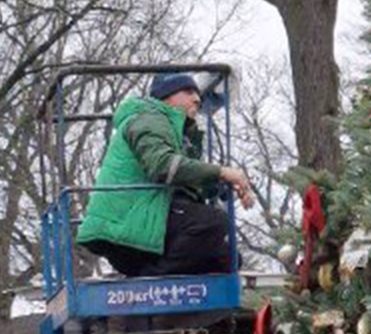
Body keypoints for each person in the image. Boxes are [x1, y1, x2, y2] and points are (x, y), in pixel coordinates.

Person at [76, 73, 255, 277]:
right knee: (213, 221)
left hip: (150, 223)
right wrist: (223, 172)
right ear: (165, 97)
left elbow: (186, 183)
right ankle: (154, 278)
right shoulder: (149, 118)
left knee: (228, 257)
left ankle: (166, 281)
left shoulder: (175, 133)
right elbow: (163, 166)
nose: (196, 98)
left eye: (197, 93)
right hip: (129, 221)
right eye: (188, 92)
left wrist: (222, 183)